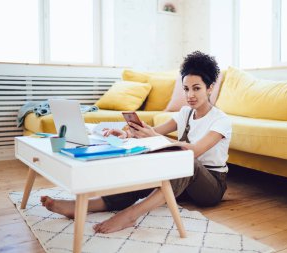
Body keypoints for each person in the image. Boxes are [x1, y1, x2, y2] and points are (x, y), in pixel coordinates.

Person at [40, 51, 232, 234]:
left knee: (186, 160)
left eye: (196, 88)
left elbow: (195, 151)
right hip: (183, 183)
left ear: (210, 87)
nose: (190, 95)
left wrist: (153, 137)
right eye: (186, 88)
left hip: (210, 186)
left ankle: (131, 215)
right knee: (148, 170)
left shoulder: (220, 120)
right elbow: (154, 132)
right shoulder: (185, 113)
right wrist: (127, 134)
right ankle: (82, 206)